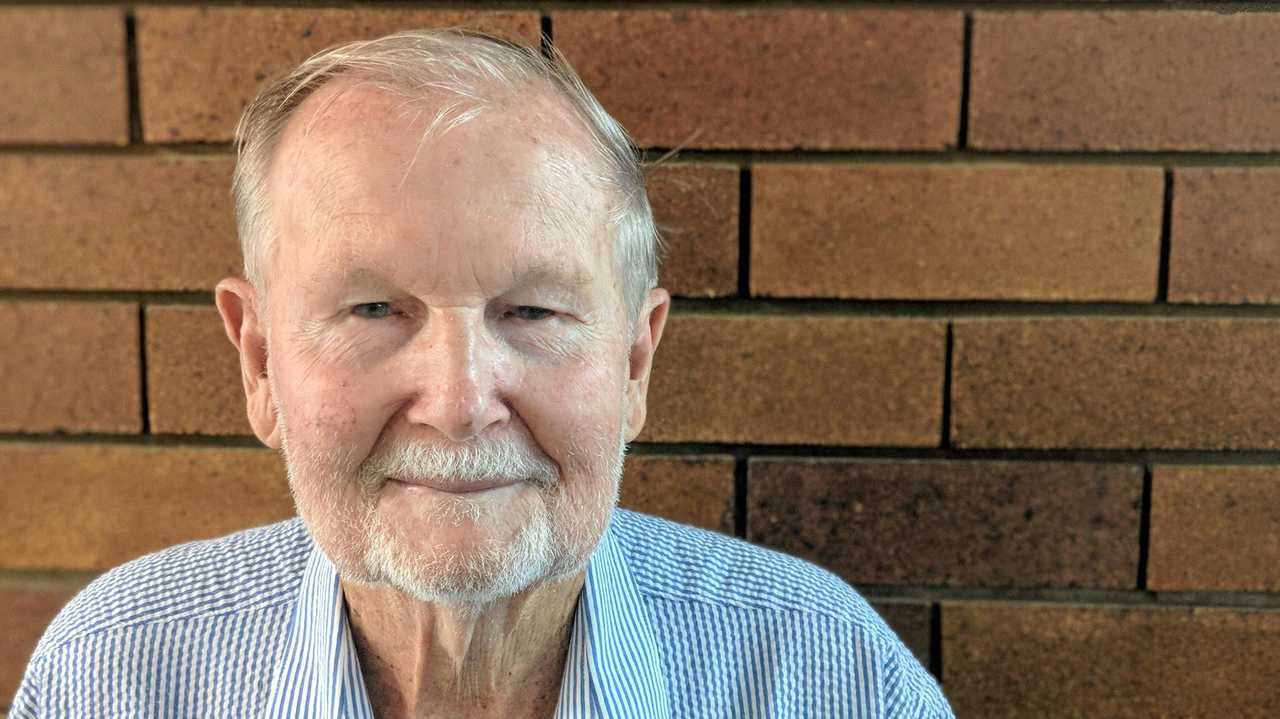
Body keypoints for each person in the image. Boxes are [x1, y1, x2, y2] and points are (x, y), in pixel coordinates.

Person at [12, 29, 952, 718]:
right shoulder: (119, 675)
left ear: (635, 360)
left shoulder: (823, 674)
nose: (459, 404)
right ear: (259, 360)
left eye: (533, 312)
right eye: (374, 310)